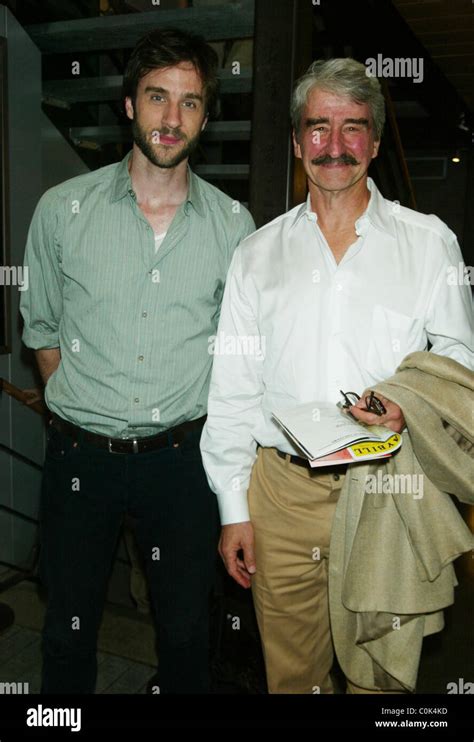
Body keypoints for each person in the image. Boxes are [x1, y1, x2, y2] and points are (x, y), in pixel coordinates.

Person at [200, 58, 473, 694]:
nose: (335, 145)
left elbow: (459, 360)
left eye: (353, 128)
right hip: (283, 498)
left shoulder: (429, 243)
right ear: (297, 141)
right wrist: (233, 509)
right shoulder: (256, 254)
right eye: (318, 127)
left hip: (386, 490)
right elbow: (234, 389)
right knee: (293, 679)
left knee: (381, 677)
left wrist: (409, 403)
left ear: (374, 142)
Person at [20, 27, 255, 694]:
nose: (170, 118)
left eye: (188, 103)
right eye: (157, 97)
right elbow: (41, 335)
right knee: (65, 634)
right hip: (79, 461)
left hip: (182, 465)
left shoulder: (233, 227)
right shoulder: (61, 213)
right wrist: (87, 415)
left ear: (206, 116)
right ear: (130, 104)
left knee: (184, 636)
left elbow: (239, 355)